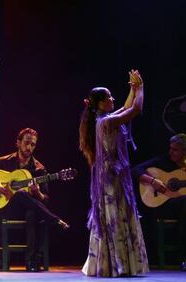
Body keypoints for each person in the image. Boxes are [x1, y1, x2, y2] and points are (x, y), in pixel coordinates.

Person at [78, 70, 149, 277]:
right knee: (114, 217)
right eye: (109, 97)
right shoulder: (105, 122)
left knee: (116, 216)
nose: (112, 99)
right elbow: (135, 109)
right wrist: (141, 89)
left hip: (114, 177)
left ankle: (118, 264)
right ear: (100, 104)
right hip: (110, 178)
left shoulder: (105, 118)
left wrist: (133, 88)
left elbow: (126, 107)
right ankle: (118, 265)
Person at [0, 128, 70, 272]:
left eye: (33, 145)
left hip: (30, 210)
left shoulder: (39, 169)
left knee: (32, 211)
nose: (29, 147)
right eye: (26, 143)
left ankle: (31, 261)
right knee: (19, 194)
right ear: (18, 143)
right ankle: (54, 220)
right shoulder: (3, 162)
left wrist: (37, 193)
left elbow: (45, 200)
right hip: (6, 208)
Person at [132, 133, 186, 271]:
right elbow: (136, 170)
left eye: (175, 150)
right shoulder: (163, 160)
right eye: (170, 148)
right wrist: (152, 181)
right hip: (162, 205)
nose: (171, 152)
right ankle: (184, 257)